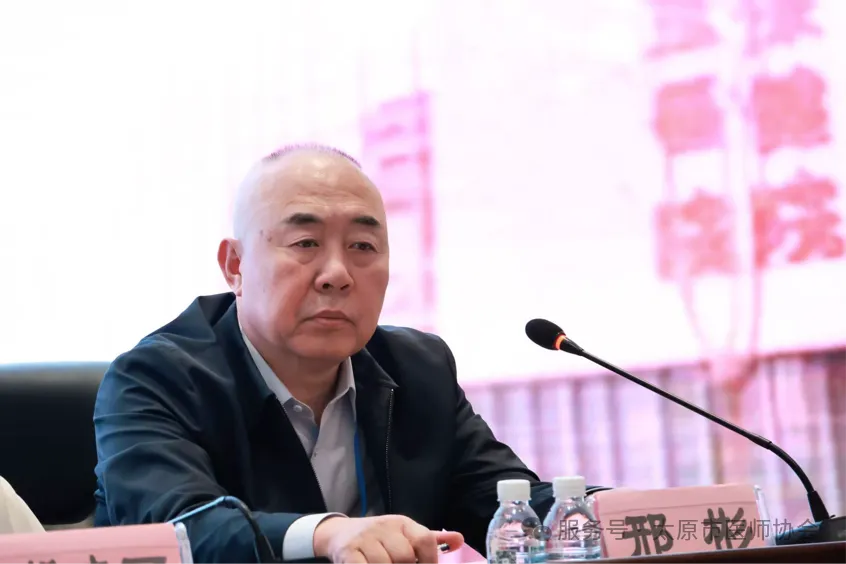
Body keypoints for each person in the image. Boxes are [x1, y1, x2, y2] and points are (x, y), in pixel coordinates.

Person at [93, 144, 605, 564]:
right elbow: (177, 530)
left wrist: (615, 511)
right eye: (305, 242)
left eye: (363, 246)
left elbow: (504, 502)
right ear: (235, 266)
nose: (336, 274)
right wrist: (328, 534)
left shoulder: (417, 368)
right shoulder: (154, 378)